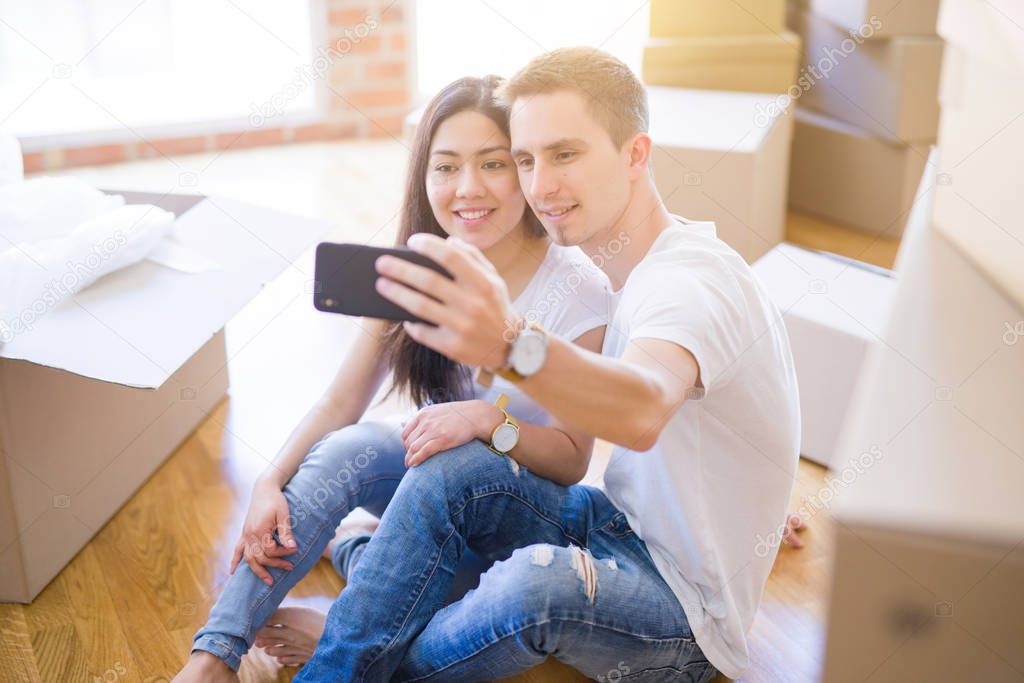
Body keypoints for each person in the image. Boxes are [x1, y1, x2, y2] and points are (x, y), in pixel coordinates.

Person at [292, 47, 801, 682]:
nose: (541, 186)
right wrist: (751, 490)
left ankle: (344, 649)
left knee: (535, 591)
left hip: (682, 616)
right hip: (617, 525)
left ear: (636, 155)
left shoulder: (684, 284)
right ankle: (364, 618)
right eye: (527, 160)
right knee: (452, 471)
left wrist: (509, 344)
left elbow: (642, 408)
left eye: (566, 154)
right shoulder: (632, 271)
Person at [172, 74, 610, 681]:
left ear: (527, 170)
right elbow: (341, 401)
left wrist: (488, 422)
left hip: (521, 521)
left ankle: (349, 584)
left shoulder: (578, 291)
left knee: (434, 575)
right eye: (446, 167)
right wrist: (269, 481)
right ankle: (211, 658)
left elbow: (570, 461)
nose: (467, 189)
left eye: (494, 164)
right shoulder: (415, 270)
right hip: (433, 507)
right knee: (355, 450)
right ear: (423, 178)